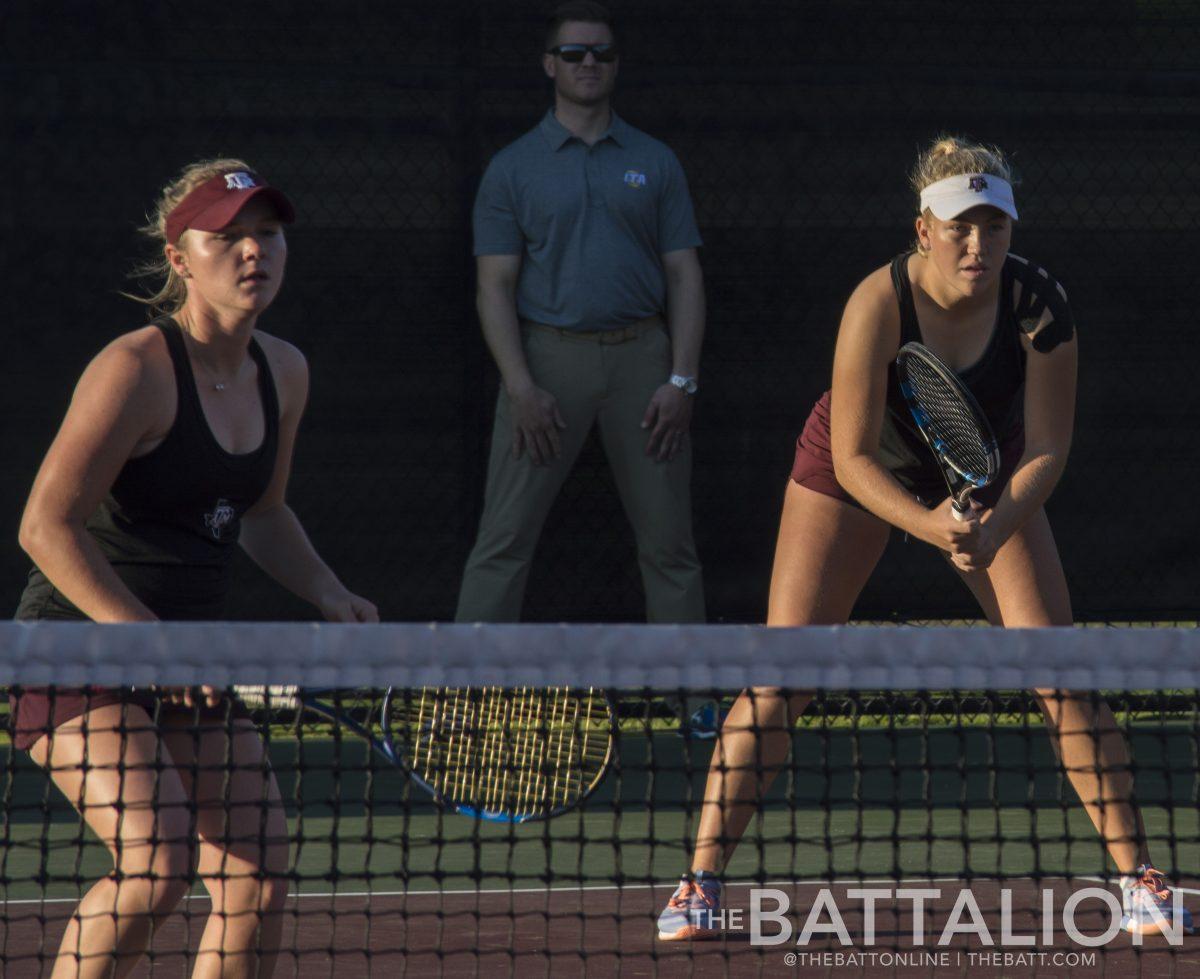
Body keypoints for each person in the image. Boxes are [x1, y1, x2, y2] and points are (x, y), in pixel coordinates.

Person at [656, 135, 1193, 941]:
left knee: (1061, 670)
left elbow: (1047, 447)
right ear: (924, 230)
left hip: (989, 475)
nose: (978, 244)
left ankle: (1140, 880)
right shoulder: (877, 301)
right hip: (859, 468)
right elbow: (851, 453)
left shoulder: (1040, 308)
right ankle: (697, 883)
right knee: (782, 674)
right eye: (959, 226)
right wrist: (933, 526)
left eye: (994, 226)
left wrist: (994, 523)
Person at [12, 158, 378, 976]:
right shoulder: (135, 368)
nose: (255, 252)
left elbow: (265, 511)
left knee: (257, 877)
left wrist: (329, 590)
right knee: (157, 862)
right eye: (229, 237)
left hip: (187, 664)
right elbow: (45, 526)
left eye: (269, 234)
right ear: (180, 257)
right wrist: (148, 642)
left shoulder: (285, 371)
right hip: (79, 651)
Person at [455, 0, 707, 625]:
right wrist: (520, 387)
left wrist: (681, 380)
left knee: (670, 546)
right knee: (503, 541)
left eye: (602, 53)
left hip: (644, 363)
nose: (589, 63)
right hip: (546, 362)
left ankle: (696, 705)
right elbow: (494, 287)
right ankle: (468, 705)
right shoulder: (512, 168)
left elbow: (684, 274)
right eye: (574, 53)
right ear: (550, 64)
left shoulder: (654, 161)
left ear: (617, 65)